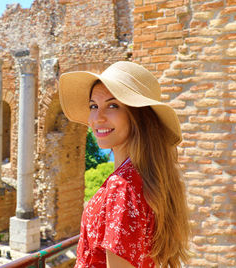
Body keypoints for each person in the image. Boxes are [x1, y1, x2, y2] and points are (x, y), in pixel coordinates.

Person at [58, 61, 190, 268]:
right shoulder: (147, 176)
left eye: (113, 105)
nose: (97, 117)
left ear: (138, 116)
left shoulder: (123, 186)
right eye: (93, 106)